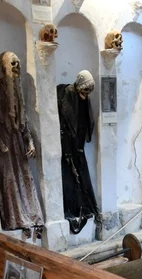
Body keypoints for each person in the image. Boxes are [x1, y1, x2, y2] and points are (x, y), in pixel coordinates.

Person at [0, 51, 44, 238]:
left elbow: (24, 118)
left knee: (26, 179)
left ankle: (32, 218)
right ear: (4, 67)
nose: (17, 67)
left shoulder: (17, 88)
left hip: (18, 142)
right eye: (13, 64)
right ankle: (16, 220)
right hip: (4, 142)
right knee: (9, 181)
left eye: (18, 63)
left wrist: (30, 142)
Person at [57, 71, 100, 235]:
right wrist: (69, 151)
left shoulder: (83, 99)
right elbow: (67, 123)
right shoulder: (69, 94)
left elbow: (83, 122)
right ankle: (73, 208)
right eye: (85, 90)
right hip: (68, 146)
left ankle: (84, 206)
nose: (86, 94)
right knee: (70, 178)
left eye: (89, 91)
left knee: (81, 178)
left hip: (78, 146)